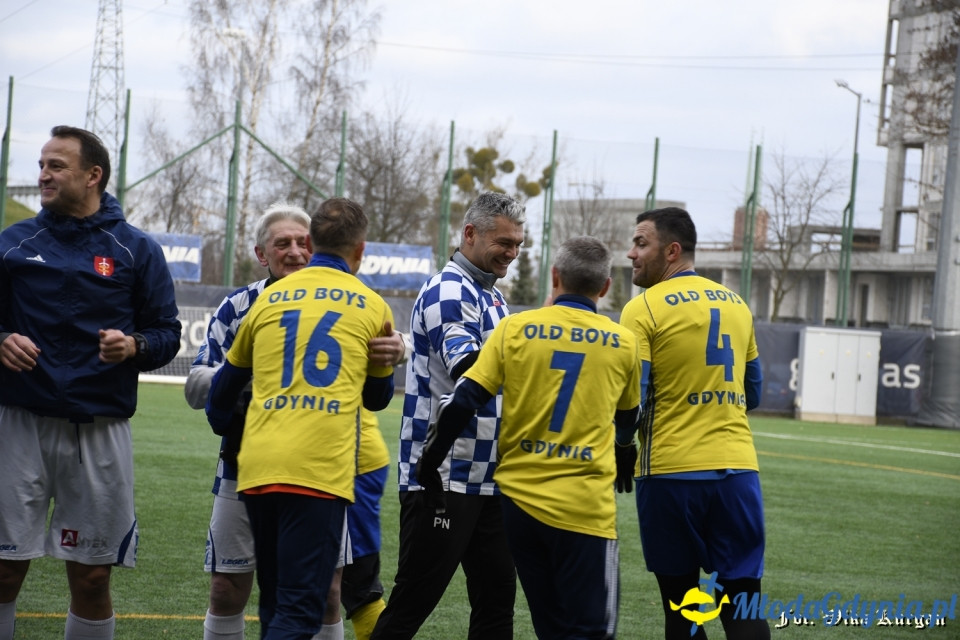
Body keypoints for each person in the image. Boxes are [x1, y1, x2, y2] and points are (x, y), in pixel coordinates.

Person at [185, 202, 404, 640]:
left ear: (314, 244)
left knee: (311, 599)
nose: (294, 251)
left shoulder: (269, 304)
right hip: (298, 469)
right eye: (281, 243)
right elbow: (377, 397)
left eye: (301, 242)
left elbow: (220, 397)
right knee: (259, 598)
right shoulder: (247, 304)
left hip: (266, 464)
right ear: (261, 254)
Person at [0, 125, 181, 640]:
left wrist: (135, 346)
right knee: (4, 569)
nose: (43, 176)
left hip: (99, 429)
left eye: (56, 166)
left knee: (93, 576)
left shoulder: (136, 249)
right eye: (41, 165)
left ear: (92, 175)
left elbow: (166, 334)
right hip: (17, 425)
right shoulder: (12, 244)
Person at [416, 236, 642, 639]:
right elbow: (628, 417)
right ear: (605, 288)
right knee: (593, 631)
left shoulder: (515, 328)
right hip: (583, 508)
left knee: (550, 625)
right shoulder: (623, 342)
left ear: (555, 277)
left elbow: (463, 400)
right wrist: (626, 448)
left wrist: (430, 462)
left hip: (519, 509)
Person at [372, 191, 525, 640]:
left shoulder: (492, 298)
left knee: (497, 607)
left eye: (518, 244)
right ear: (470, 234)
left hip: (490, 477)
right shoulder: (449, 288)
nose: (512, 253)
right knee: (410, 607)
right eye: (504, 242)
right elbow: (469, 369)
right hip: (440, 475)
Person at [618, 207, 768, 640]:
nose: (631, 253)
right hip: (738, 471)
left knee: (682, 608)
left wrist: (624, 445)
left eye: (641, 243)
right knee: (744, 603)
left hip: (670, 473)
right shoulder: (737, 304)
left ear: (672, 250)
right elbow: (752, 393)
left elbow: (635, 399)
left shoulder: (641, 307)